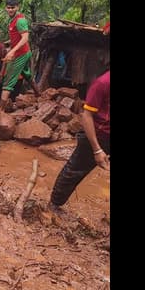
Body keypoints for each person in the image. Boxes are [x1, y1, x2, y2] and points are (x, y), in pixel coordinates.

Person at [50, 67, 110, 212]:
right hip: (98, 135)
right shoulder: (103, 83)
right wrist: (97, 149)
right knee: (74, 171)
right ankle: (53, 206)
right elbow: (86, 115)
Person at [0, 0, 33, 111]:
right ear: (5, 8)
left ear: (17, 7)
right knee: (28, 76)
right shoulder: (12, 20)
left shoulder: (20, 21)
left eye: (12, 8)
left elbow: (25, 38)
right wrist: (9, 42)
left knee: (8, 81)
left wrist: (12, 51)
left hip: (20, 53)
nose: (10, 10)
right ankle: (39, 94)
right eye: (8, 8)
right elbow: (17, 36)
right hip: (23, 52)